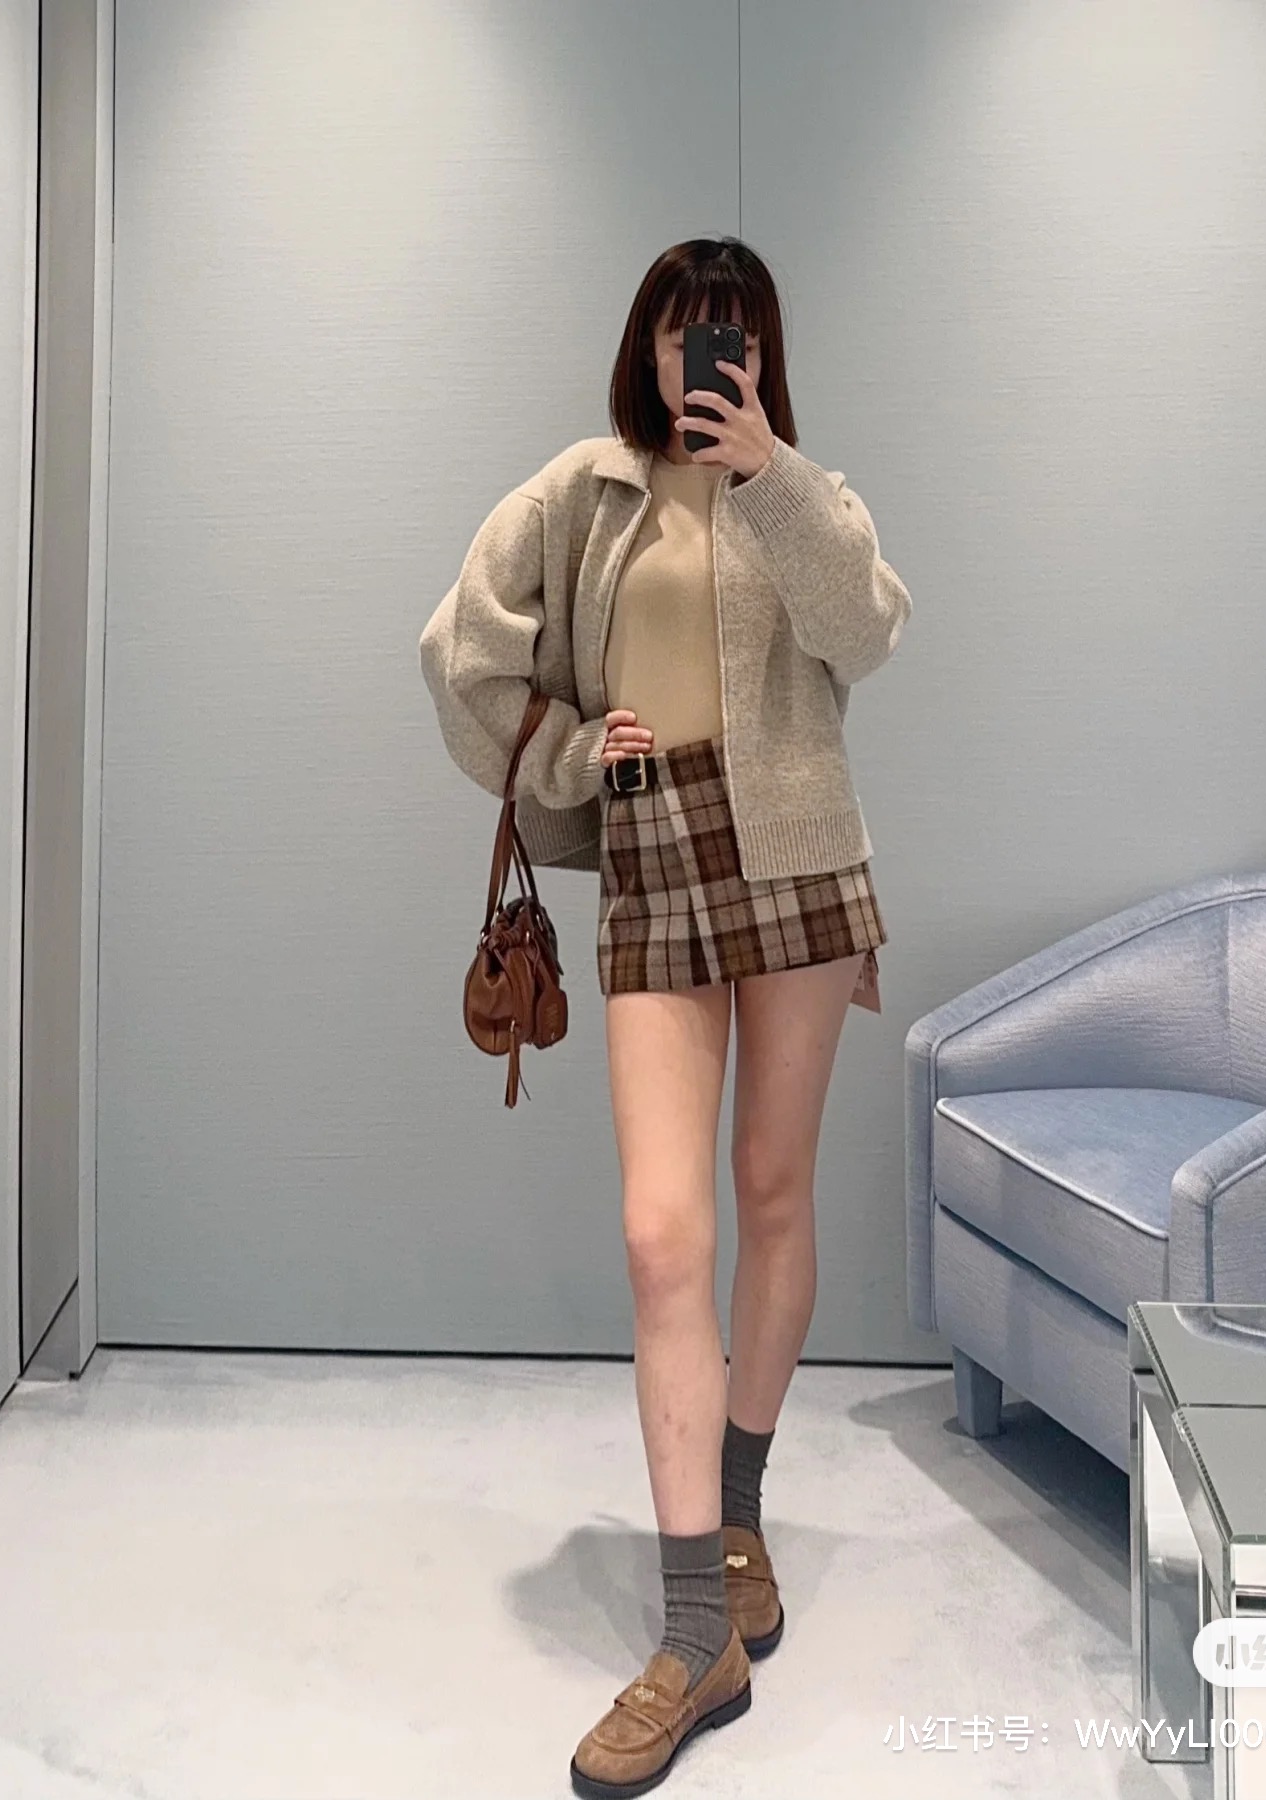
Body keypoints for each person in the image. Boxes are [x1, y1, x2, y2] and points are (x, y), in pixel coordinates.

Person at [418, 236, 912, 1797]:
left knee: (771, 1189)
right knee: (659, 1233)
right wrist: (575, 755)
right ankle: (699, 1627)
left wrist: (771, 473)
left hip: (802, 856)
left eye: (733, 336)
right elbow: (461, 657)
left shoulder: (804, 491)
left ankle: (735, 1522)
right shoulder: (582, 493)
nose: (706, 358)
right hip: (656, 859)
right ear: (644, 343)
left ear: (763, 356)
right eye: (684, 332)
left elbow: (869, 631)